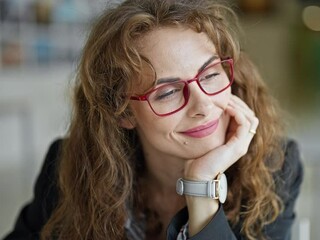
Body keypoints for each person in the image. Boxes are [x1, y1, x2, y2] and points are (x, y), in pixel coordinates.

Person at [4, 0, 303, 239]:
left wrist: (201, 188)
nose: (204, 105)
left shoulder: (274, 166)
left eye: (211, 75)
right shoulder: (71, 165)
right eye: (168, 92)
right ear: (122, 112)